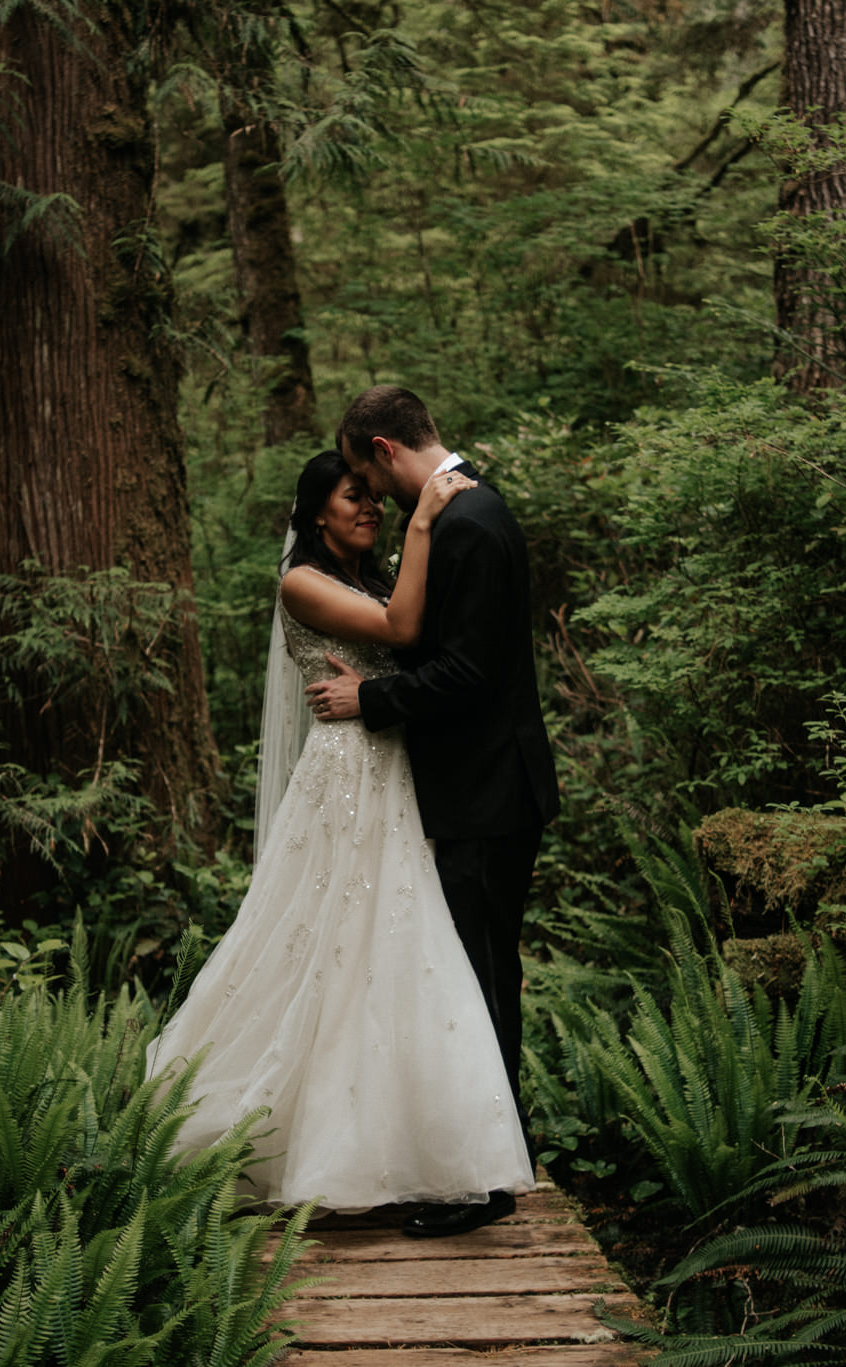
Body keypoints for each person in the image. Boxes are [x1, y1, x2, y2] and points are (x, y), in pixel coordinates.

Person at [145, 449, 534, 1220]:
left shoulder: (371, 573)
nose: (370, 507)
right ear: (315, 511)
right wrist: (425, 514)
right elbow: (401, 628)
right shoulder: (302, 582)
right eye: (352, 497)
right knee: (331, 945)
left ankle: (418, 1146)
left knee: (396, 952)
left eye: (374, 497)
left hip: (398, 769)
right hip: (348, 777)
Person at [305, 384, 560, 1239]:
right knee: (480, 977)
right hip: (482, 788)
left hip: (487, 792)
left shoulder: (468, 522)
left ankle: (480, 1185)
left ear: (382, 448)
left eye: (360, 474)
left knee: (481, 981)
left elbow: (470, 674)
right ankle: (493, 1154)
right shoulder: (463, 514)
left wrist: (370, 697)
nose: (369, 496)